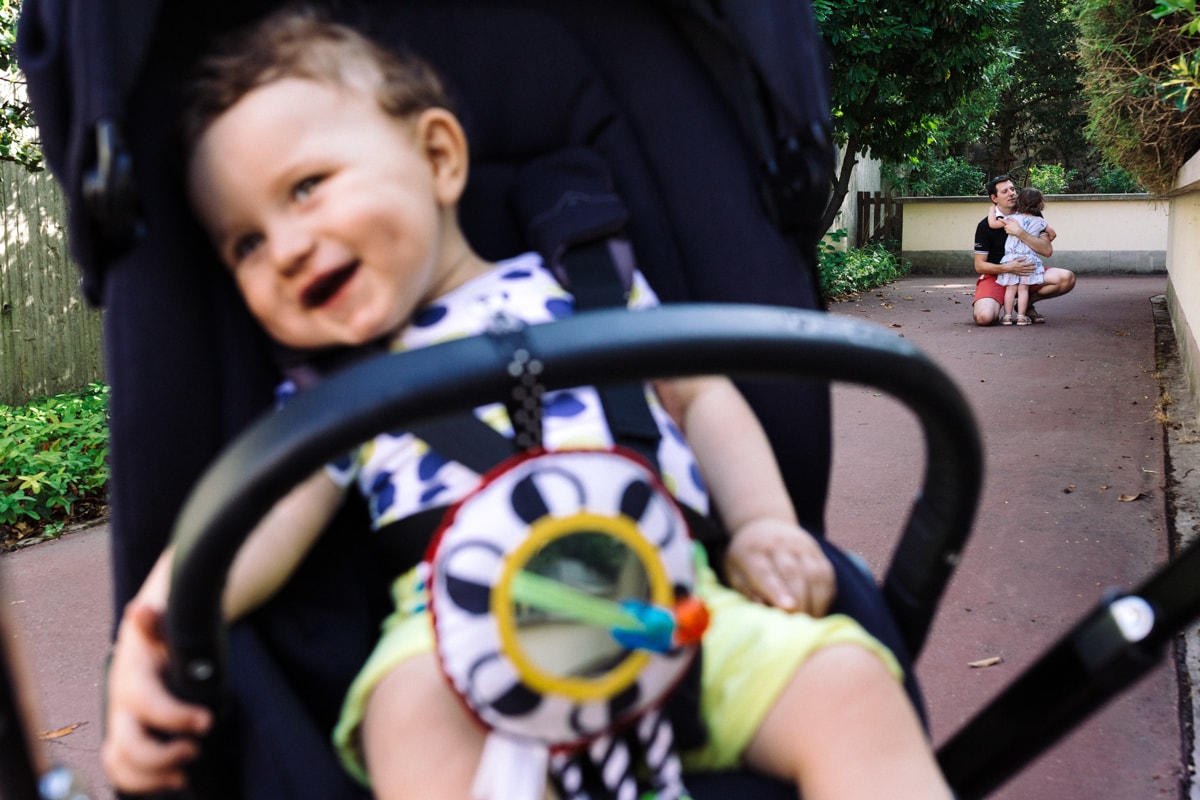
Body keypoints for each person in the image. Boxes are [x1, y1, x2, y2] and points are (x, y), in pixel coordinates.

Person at [100, 9, 952, 800]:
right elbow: (261, 513)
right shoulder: (331, 392)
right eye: (245, 243)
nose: (284, 248)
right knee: (405, 721)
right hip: (456, 636)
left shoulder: (592, 287)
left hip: (673, 592)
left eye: (306, 187)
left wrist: (763, 522)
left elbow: (701, 397)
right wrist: (157, 620)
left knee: (849, 685)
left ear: (439, 157)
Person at [972, 175, 1075, 326]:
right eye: (1005, 191)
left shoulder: (1033, 214)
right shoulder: (985, 226)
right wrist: (1008, 268)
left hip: (1028, 271)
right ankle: (996, 304)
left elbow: (1047, 250)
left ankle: (1025, 304)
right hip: (997, 275)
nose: (1011, 193)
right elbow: (979, 266)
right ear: (994, 198)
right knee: (984, 318)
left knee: (1067, 278)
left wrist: (1020, 232)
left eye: (1013, 189)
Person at [990, 187, 1048, 326]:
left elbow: (992, 224)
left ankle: (1007, 316)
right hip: (1028, 259)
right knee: (1023, 289)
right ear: (1040, 204)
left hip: (1012, 258)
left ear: (1019, 203)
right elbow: (1052, 234)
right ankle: (1021, 317)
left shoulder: (1012, 219)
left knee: (1010, 288)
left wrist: (992, 210)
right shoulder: (1040, 221)